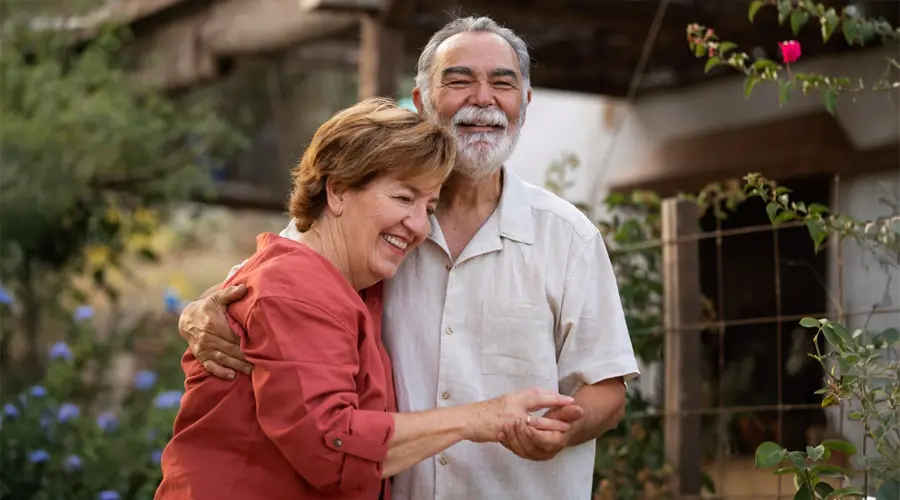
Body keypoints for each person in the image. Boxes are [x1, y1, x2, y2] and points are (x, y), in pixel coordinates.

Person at [178, 16, 640, 500]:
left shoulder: (568, 237)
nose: (483, 98)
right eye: (459, 80)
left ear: (524, 103)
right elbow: (276, 279)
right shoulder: (366, 224)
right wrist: (202, 309)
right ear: (422, 102)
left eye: (502, 83)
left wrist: (570, 425)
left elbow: (606, 388)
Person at [155, 98, 579, 500]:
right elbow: (333, 447)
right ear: (337, 192)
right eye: (402, 198)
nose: (418, 225)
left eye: (429, 207)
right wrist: (479, 417)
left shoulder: (354, 279)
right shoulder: (296, 286)